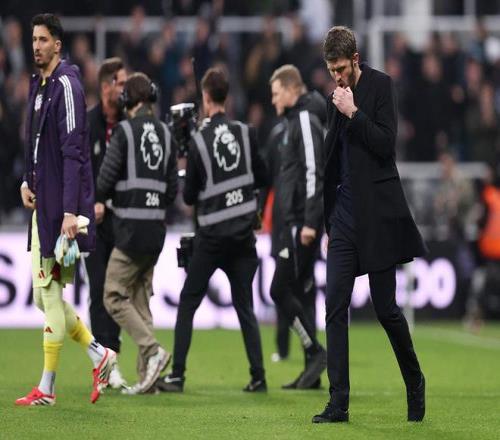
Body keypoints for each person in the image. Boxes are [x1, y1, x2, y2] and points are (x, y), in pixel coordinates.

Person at [312, 26, 427, 424]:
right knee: (334, 306)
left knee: (386, 309)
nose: (337, 77)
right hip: (344, 218)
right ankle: (338, 402)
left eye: (341, 69)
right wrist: (327, 222)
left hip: (377, 216)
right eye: (331, 70)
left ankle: (414, 381)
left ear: (356, 60)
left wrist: (353, 113)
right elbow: (331, 163)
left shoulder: (381, 87)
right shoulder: (335, 98)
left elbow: (385, 145)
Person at [16, 13, 115, 406]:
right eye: (33, 39)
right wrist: (27, 181)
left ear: (58, 45)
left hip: (60, 212)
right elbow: (36, 145)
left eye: (43, 40)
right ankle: (99, 354)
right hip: (43, 206)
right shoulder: (40, 85)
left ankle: (48, 388)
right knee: (44, 298)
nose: (36, 46)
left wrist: (71, 212)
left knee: (51, 295)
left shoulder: (67, 86)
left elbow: (74, 153)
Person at [156, 67, 268, 393]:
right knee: (245, 307)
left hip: (212, 238)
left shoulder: (198, 142)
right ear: (226, 97)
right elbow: (262, 176)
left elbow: (190, 196)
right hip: (243, 238)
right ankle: (258, 376)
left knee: (188, 302)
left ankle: (177, 375)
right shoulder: (246, 133)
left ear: (205, 98)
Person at [97, 72, 178, 394]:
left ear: (127, 100)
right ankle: (149, 377)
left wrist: (109, 197)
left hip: (130, 230)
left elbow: (104, 181)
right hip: (156, 231)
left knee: (113, 294)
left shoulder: (124, 132)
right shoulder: (167, 133)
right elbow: (172, 189)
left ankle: (152, 351)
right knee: (142, 301)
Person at [268, 64, 327, 389]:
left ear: (292, 90)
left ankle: (314, 352)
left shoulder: (304, 119)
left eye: (277, 93)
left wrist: (309, 222)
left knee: (279, 290)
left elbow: (313, 171)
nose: (273, 100)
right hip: (294, 222)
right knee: (303, 293)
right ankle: (311, 371)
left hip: (300, 224)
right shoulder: (295, 119)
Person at [85, 57, 127, 389]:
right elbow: (78, 171)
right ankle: (104, 362)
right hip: (93, 223)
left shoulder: (129, 125)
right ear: (105, 87)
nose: (124, 89)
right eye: (120, 83)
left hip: (124, 221)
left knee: (117, 292)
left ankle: (112, 359)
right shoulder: (87, 124)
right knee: (98, 290)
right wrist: (90, 203)